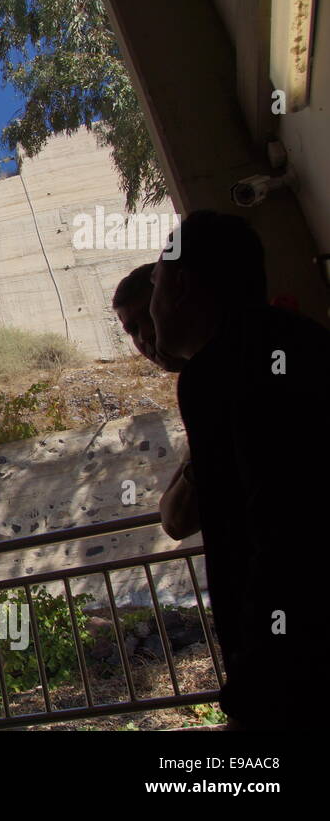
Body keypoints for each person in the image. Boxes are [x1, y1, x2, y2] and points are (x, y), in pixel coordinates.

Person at [150, 209, 330, 729]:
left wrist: (259, 686)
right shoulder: (300, 338)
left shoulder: (218, 369)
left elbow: (276, 530)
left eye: (158, 287)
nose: (153, 313)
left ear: (181, 287)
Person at [112, 264, 198, 539]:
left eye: (149, 314)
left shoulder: (212, 379)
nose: (144, 336)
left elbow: (177, 521)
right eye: (132, 329)